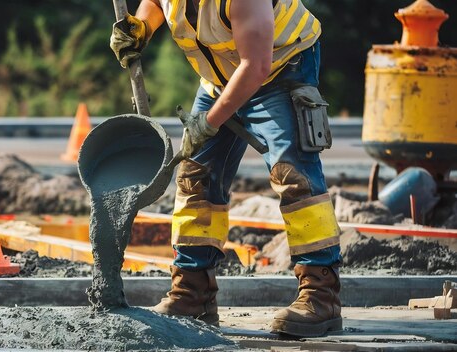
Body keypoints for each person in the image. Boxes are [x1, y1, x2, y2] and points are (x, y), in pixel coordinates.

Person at [110, 0, 342, 337]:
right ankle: (193, 293)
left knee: (293, 176)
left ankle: (322, 296)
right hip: (220, 78)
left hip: (279, 66)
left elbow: (256, 66)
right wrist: (142, 26)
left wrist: (208, 123)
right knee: (195, 178)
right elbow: (156, 4)